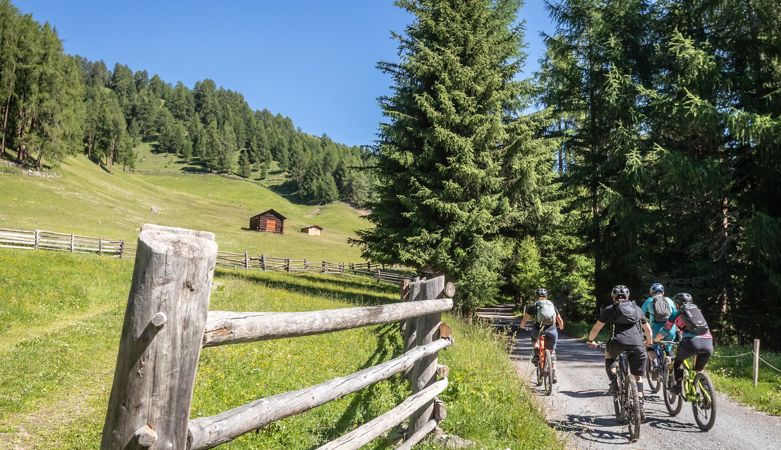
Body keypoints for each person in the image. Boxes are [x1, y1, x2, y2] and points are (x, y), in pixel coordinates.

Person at [587, 285, 653, 398]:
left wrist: (590, 340)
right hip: (637, 343)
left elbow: (596, 329)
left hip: (617, 342)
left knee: (609, 354)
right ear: (628, 296)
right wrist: (649, 341)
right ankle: (640, 399)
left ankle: (613, 381)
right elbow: (648, 329)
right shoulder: (636, 309)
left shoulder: (610, 309)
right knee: (637, 376)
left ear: (613, 297)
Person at [654, 292, 713, 394]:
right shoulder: (698, 311)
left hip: (691, 342)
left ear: (678, 304)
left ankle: (677, 387)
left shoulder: (675, 314)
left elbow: (665, 330)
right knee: (699, 370)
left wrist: (656, 339)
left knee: (677, 362)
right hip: (708, 342)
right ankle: (707, 393)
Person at [520, 288, 565, 384]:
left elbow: (524, 320)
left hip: (538, 330)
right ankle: (553, 372)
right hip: (552, 330)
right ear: (546, 296)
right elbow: (560, 321)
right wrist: (561, 328)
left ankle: (537, 353)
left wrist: (522, 327)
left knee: (534, 339)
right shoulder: (551, 305)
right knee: (552, 351)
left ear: (537, 296)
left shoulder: (534, 305)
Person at [641, 283, 677, 376]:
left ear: (651, 293)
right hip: (670, 329)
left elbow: (640, 316)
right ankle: (672, 370)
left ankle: (656, 365)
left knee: (650, 346)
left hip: (656, 329)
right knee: (669, 348)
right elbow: (676, 315)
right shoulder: (669, 300)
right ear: (663, 293)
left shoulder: (649, 301)